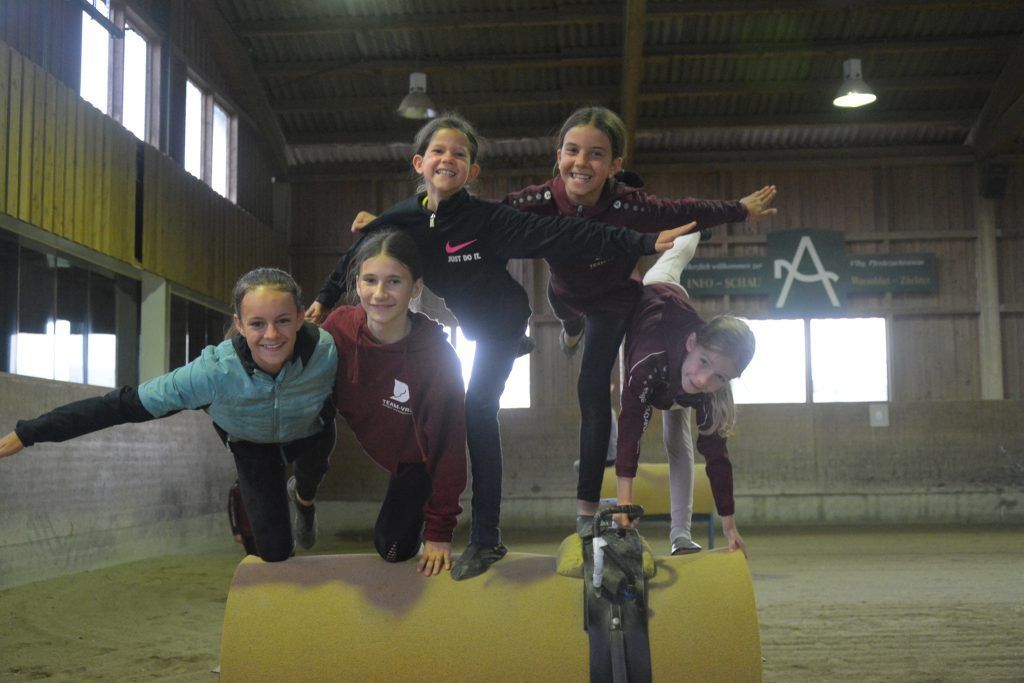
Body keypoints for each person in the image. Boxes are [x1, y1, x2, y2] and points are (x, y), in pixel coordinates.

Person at [306, 113, 695, 580]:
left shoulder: (489, 218)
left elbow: (571, 233)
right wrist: (324, 297)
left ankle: (487, 538)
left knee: (476, 410)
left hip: (502, 323)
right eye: (438, 151)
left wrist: (644, 240)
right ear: (420, 162)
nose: (447, 158)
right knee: (468, 401)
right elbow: (363, 249)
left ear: (473, 172)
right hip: (471, 326)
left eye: (460, 154)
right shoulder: (407, 217)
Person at [502, 106, 776, 534]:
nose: (581, 162)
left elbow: (682, 210)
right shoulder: (539, 201)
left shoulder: (627, 205)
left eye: (596, 154)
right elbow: (481, 221)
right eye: (572, 150)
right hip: (566, 293)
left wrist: (738, 210)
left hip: (614, 302)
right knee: (565, 310)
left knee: (591, 390)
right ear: (558, 155)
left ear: (614, 166)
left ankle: (585, 513)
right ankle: (571, 330)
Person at [0, 268, 338, 563]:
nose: (272, 335)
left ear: (300, 316)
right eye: (257, 324)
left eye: (282, 321)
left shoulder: (325, 352)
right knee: (275, 552)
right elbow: (120, 406)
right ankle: (295, 508)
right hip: (253, 446)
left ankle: (303, 500)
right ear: (239, 324)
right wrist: (30, 432)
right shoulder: (212, 374)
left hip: (310, 433)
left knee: (310, 475)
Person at [320, 230, 467, 577]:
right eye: (370, 280)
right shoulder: (338, 331)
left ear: (415, 288)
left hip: (417, 461)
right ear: (357, 284)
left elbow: (448, 448)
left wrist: (439, 532)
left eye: (394, 282)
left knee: (392, 549)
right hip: (360, 438)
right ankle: (302, 490)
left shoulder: (438, 358)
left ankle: (411, 524)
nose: (380, 293)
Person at [614, 234, 757, 556]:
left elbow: (718, 458)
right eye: (705, 364)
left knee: (678, 442)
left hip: (676, 372)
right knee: (678, 253)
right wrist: (624, 502)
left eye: (720, 377)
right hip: (654, 302)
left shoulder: (710, 384)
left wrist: (729, 524)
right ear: (693, 343)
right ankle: (691, 227)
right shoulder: (648, 363)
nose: (705, 380)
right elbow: (630, 430)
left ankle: (681, 534)